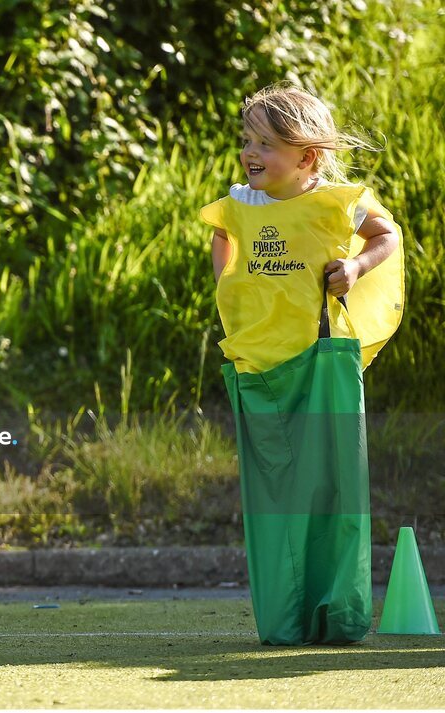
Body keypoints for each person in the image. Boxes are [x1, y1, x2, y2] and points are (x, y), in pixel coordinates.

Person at [201, 84, 404, 645]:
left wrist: (357, 267)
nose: (250, 153)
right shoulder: (241, 202)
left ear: (307, 156)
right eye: (248, 140)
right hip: (260, 367)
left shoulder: (339, 201)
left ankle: (338, 615)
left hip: (323, 360)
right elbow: (221, 238)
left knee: (333, 489)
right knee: (275, 497)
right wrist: (228, 287)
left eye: (265, 143)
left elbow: (388, 235)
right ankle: (286, 620)